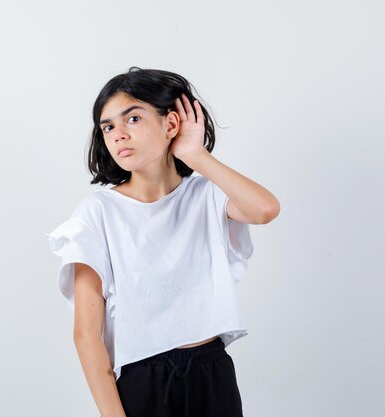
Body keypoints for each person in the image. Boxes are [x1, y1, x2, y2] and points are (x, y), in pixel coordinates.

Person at [45, 67, 280, 417]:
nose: (118, 135)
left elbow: (264, 209)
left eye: (133, 118)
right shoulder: (97, 213)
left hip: (211, 372)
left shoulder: (206, 195)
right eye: (108, 127)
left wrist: (196, 155)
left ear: (171, 125)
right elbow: (87, 335)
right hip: (143, 380)